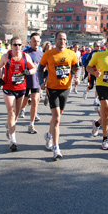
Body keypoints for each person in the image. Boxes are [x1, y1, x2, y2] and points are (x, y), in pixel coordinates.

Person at [37, 31, 78, 160]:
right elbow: (40, 69)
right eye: (60, 39)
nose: (62, 41)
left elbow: (76, 67)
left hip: (65, 88)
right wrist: (41, 82)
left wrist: (76, 77)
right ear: (55, 40)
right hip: (52, 88)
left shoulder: (71, 54)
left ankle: (49, 134)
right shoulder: (48, 54)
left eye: (64, 39)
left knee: (57, 117)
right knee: (57, 119)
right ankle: (56, 147)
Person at [0, 36, 36, 151]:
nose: (18, 47)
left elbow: (34, 68)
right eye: (15, 45)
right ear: (11, 46)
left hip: (21, 88)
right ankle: (13, 139)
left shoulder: (25, 56)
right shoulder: (6, 56)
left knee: (16, 113)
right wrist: (0, 78)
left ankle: (10, 126)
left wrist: (28, 72)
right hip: (8, 87)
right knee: (11, 111)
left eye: (19, 45)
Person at [19, 33, 43, 132]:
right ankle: (21, 109)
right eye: (34, 41)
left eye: (37, 41)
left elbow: (43, 68)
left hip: (36, 81)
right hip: (26, 80)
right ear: (30, 42)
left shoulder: (41, 54)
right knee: (23, 102)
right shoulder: (25, 52)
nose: (36, 43)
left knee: (34, 101)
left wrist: (44, 79)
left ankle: (31, 124)